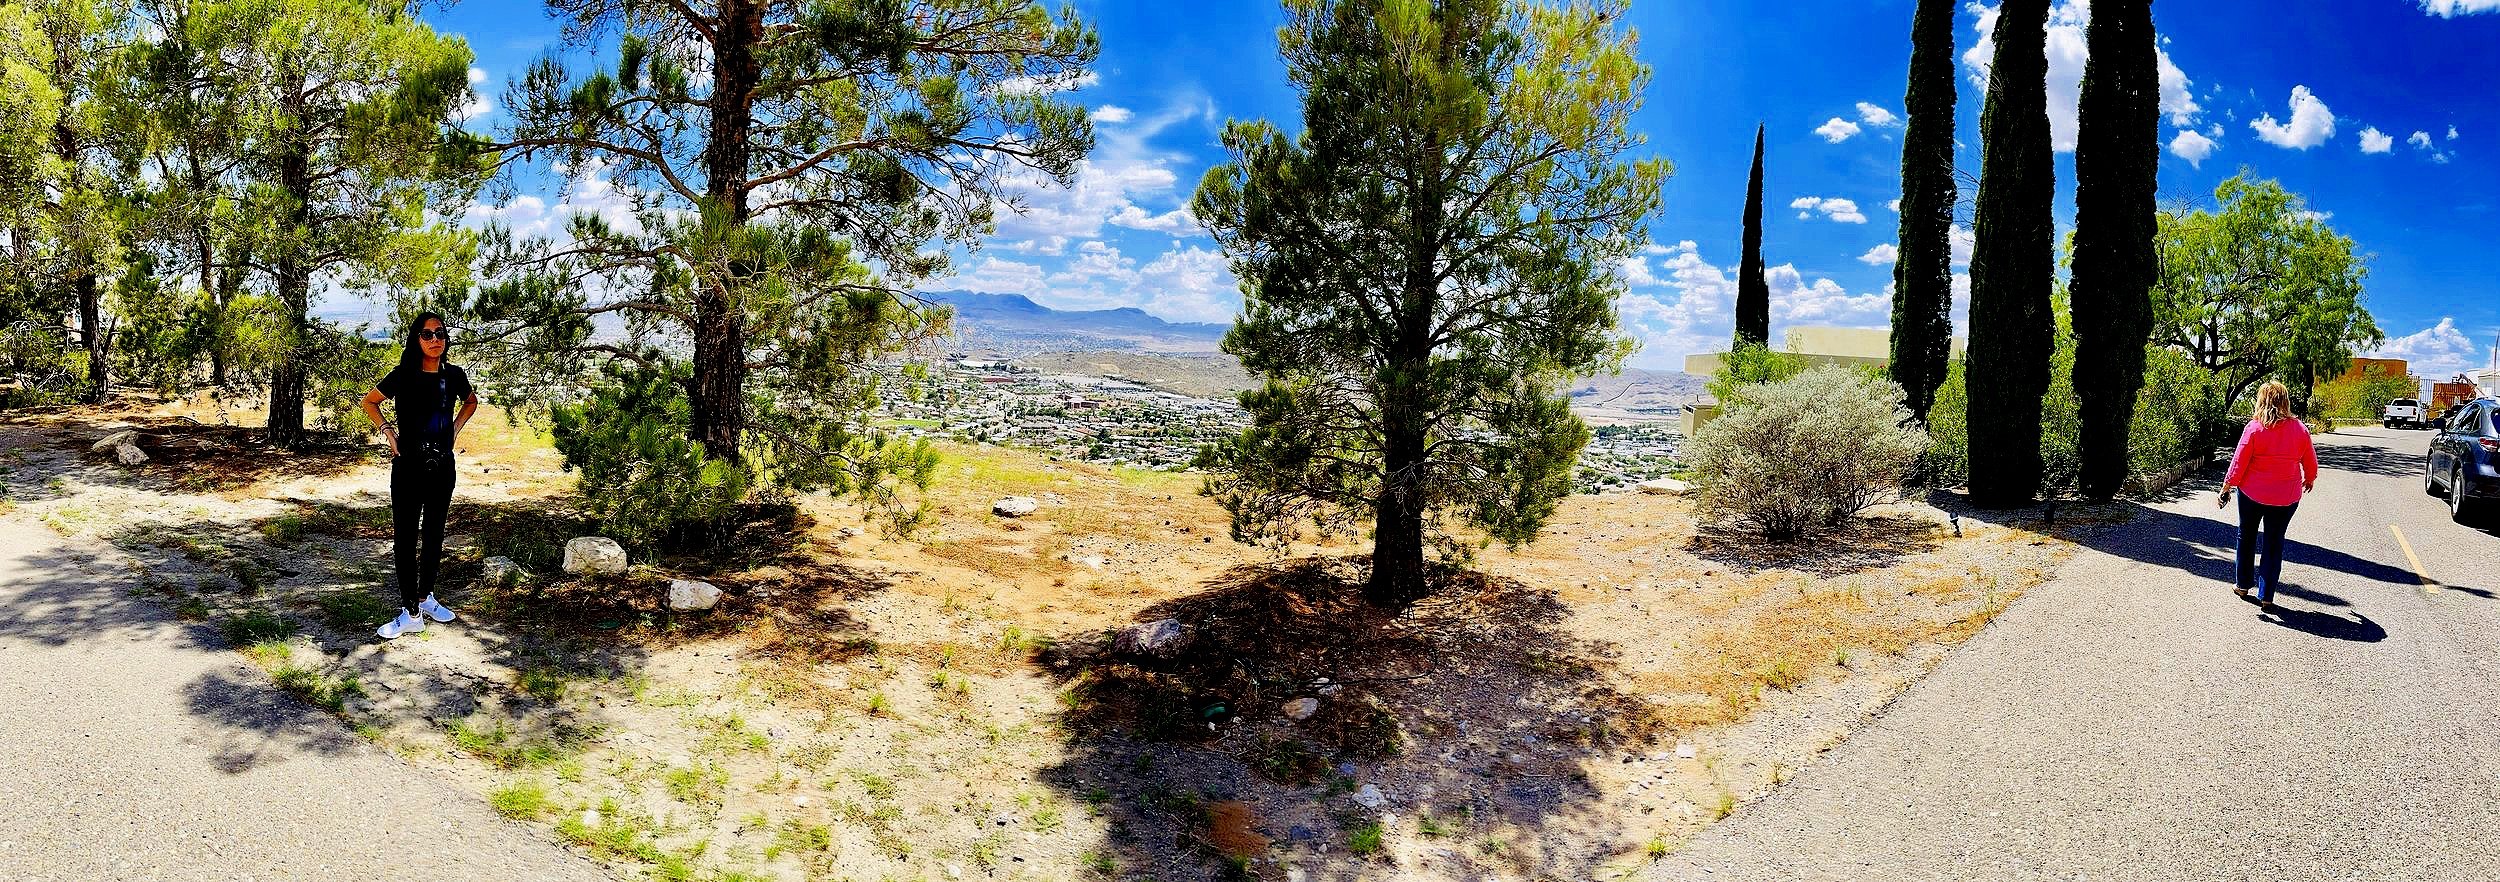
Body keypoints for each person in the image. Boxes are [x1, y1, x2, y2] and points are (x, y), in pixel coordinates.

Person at [359, 312, 477, 639]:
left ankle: (426, 598)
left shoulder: (453, 375)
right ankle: (410, 611)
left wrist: (454, 429)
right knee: (406, 538)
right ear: (417, 339)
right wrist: (387, 432)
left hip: (442, 466)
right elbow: (369, 402)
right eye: (427, 334)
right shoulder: (403, 375)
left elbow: (471, 401)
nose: (435, 339)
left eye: (440, 333)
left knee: (435, 534)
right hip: (408, 466)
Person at [2216, 381, 2318, 611]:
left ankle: (2242, 585)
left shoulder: (2254, 428)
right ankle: (2267, 596)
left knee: (2247, 535)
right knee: (2274, 542)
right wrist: (2309, 478)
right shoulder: (2300, 429)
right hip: (2286, 497)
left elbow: (2239, 461)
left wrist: (2227, 486)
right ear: (2285, 401)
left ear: (2262, 401)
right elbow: (2310, 461)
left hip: (2252, 493)